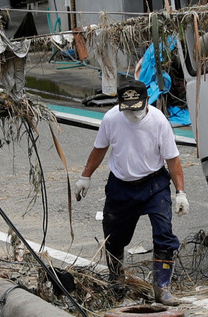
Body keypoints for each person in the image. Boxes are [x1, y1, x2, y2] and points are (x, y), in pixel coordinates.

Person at [74, 78, 187, 305]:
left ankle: (162, 287)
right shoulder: (112, 118)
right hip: (121, 185)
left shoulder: (159, 122)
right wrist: (85, 177)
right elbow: (99, 149)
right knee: (114, 237)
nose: (132, 115)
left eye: (137, 109)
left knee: (164, 234)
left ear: (146, 101)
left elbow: (172, 160)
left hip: (154, 184)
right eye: (127, 110)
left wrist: (180, 192)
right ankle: (117, 279)